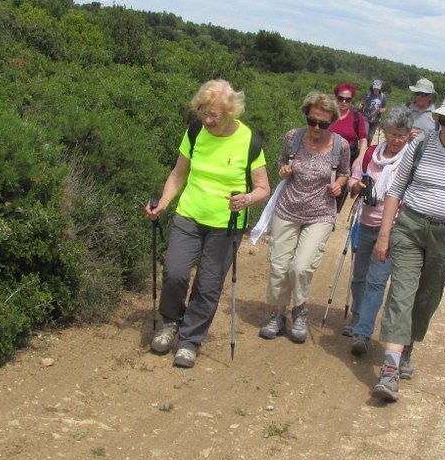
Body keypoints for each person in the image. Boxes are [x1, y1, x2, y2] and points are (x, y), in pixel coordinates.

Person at [370, 89, 445, 401]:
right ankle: (390, 369)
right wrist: (384, 235)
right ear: (438, 119)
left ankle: (408, 344)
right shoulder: (420, 145)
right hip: (410, 227)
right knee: (401, 294)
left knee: (427, 298)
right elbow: (396, 189)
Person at [145, 80, 270, 368]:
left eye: (216, 115)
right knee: (175, 272)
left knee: (208, 284)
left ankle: (190, 340)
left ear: (231, 113)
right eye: (204, 112)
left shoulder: (249, 141)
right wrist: (163, 202)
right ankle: (171, 323)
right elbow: (178, 174)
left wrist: (247, 199)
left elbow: (263, 188)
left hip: (226, 224)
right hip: (189, 214)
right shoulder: (194, 131)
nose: (209, 120)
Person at [261, 92, 350, 344]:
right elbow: (281, 163)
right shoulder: (293, 137)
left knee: (300, 267)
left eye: (323, 123)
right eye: (312, 121)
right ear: (306, 116)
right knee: (279, 266)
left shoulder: (340, 145)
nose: (317, 128)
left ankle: (299, 310)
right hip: (288, 208)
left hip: (320, 212)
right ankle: (277, 315)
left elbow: (344, 172)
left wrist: (339, 185)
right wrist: (284, 170)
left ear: (331, 121)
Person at [343, 106, 414, 357]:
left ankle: (362, 333)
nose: (396, 140)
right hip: (364, 222)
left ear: (408, 135)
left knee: (376, 281)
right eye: (393, 134)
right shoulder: (371, 154)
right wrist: (356, 185)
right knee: (359, 276)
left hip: (392, 229)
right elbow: (352, 178)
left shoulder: (411, 160)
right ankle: (358, 317)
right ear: (383, 131)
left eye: (402, 135)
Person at [329, 81, 368, 172]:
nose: (344, 102)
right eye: (340, 98)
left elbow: (363, 140)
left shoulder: (357, 116)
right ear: (335, 97)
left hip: (348, 158)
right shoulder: (327, 114)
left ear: (352, 100)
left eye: (348, 99)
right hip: (326, 155)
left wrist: (360, 158)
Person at [359, 79, 388, 143]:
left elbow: (385, 108)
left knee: (370, 137)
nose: (376, 90)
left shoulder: (383, 96)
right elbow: (362, 102)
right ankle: (362, 149)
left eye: (377, 89)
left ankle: (367, 149)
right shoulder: (368, 94)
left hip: (376, 119)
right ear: (372, 87)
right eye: (375, 88)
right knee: (365, 135)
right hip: (366, 117)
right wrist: (361, 105)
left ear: (380, 88)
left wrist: (380, 110)